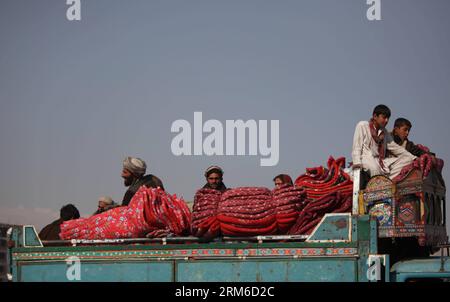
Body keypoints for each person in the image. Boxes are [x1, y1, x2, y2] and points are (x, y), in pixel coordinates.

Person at [351, 104, 416, 179]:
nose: (386, 121)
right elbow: (356, 147)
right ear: (375, 116)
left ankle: (387, 181)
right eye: (384, 117)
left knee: (408, 160)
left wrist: (414, 158)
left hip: (381, 162)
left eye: (388, 118)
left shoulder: (384, 133)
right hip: (366, 159)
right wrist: (357, 163)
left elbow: (396, 148)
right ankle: (382, 181)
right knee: (374, 169)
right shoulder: (363, 125)